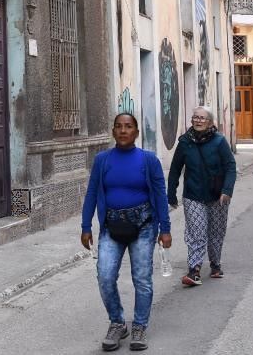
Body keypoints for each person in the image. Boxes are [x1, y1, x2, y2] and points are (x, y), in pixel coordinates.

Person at [81, 113, 172, 352]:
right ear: (113, 132)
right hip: (111, 226)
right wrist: (86, 226)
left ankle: (139, 326)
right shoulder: (102, 160)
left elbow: (160, 196)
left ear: (136, 132)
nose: (123, 131)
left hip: (143, 226)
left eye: (128, 127)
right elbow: (92, 193)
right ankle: (117, 322)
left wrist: (165, 229)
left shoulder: (149, 160)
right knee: (105, 276)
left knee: (141, 279)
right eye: (119, 127)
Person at [167, 106, 237, 287]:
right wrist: (171, 194)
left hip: (217, 194)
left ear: (210, 122)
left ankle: (215, 264)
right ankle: (194, 270)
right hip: (193, 194)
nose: (198, 121)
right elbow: (175, 169)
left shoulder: (219, 141)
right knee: (196, 232)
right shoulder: (185, 142)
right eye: (195, 117)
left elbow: (230, 166)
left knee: (216, 232)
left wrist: (227, 191)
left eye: (202, 118)